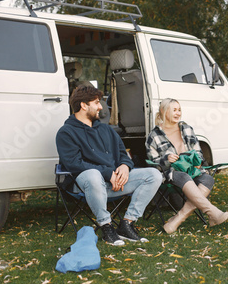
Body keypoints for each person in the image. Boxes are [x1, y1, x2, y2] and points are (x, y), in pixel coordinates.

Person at [56, 85, 162, 246]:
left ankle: (127, 224)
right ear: (84, 105)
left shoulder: (106, 129)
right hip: (87, 185)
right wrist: (107, 173)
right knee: (93, 175)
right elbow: (74, 163)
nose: (101, 107)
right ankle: (106, 227)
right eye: (97, 102)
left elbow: (122, 154)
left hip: (114, 183)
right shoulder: (66, 132)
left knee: (154, 175)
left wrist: (125, 167)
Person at [145, 98, 228, 234]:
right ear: (163, 111)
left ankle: (177, 219)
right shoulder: (154, 135)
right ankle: (213, 212)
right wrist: (166, 159)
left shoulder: (186, 128)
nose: (178, 113)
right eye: (174, 110)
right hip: (171, 174)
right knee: (183, 176)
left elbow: (198, 151)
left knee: (208, 179)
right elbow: (153, 163)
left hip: (192, 170)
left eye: (179, 110)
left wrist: (197, 161)